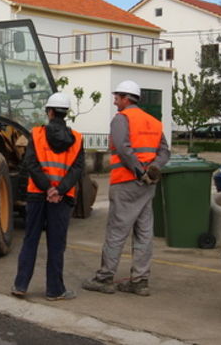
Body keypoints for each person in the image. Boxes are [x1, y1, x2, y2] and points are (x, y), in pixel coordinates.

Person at [82, 80, 170, 297]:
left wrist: (139, 171)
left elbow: (122, 147)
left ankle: (105, 278)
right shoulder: (154, 122)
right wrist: (153, 169)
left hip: (126, 183)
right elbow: (165, 151)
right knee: (144, 232)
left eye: (117, 97)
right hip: (147, 187)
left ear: (125, 98)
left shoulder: (122, 119)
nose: (114, 101)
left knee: (117, 231)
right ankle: (140, 281)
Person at [11, 93, 83, 301]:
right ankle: (54, 290)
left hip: (36, 195)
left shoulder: (36, 134)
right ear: (65, 113)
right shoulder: (77, 139)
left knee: (30, 239)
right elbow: (77, 169)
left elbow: (31, 164)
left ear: (49, 112)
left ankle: (21, 285)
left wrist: (46, 188)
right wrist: (58, 190)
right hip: (62, 198)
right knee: (56, 243)